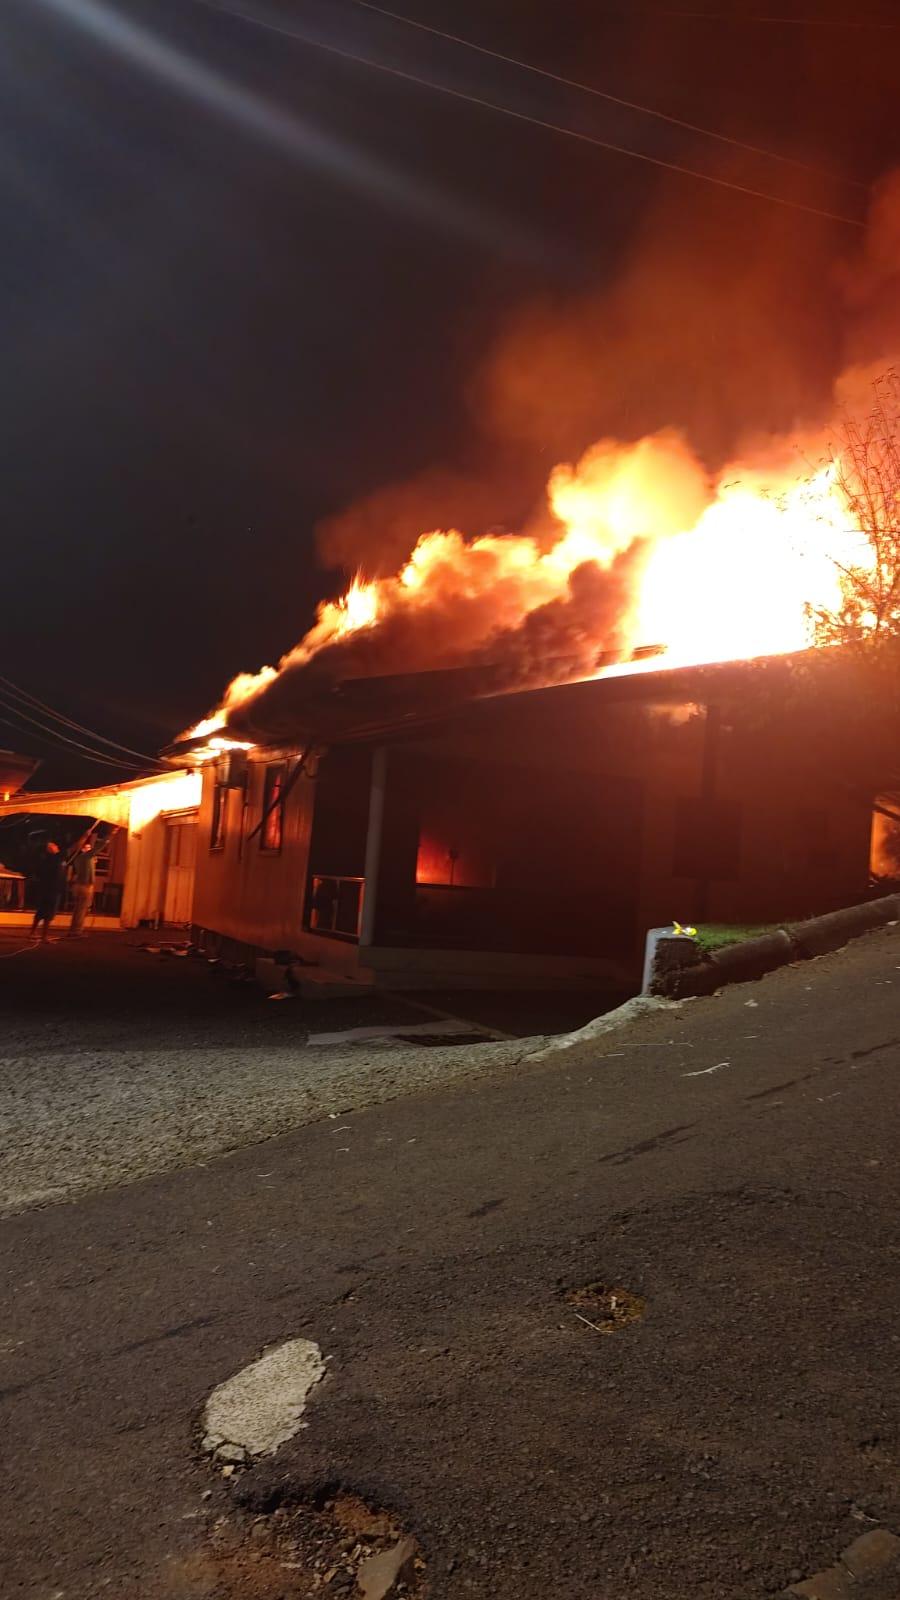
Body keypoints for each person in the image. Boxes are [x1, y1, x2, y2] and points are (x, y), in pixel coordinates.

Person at [30, 841, 67, 943]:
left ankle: (32, 932)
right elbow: (72, 848)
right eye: (54, 845)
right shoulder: (55, 858)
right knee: (48, 913)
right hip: (52, 890)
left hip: (46, 889)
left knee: (41, 911)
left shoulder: (46, 859)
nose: (57, 846)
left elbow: (38, 873)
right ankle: (44, 936)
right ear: (50, 849)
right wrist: (85, 836)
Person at [68, 840, 96, 937]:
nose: (89, 850)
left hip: (84, 885)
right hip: (84, 885)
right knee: (81, 909)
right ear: (83, 849)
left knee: (81, 909)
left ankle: (75, 929)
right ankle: (76, 931)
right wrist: (108, 837)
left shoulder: (85, 858)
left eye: (90, 848)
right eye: (87, 848)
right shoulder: (84, 857)